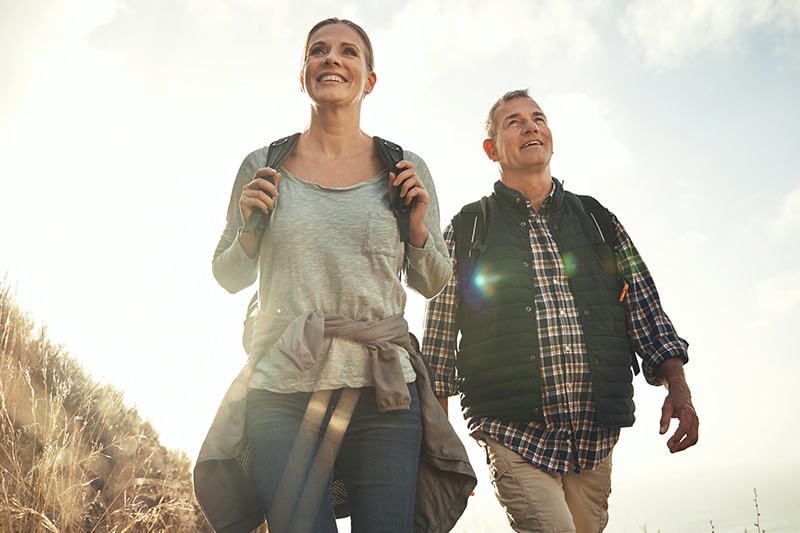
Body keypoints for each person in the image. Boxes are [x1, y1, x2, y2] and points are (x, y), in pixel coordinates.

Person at [193, 18, 475, 533]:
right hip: (282, 390)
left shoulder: (404, 167)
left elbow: (433, 282)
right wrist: (250, 231)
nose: (332, 58)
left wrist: (416, 228)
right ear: (302, 74)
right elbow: (228, 275)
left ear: (369, 79)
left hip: (385, 392)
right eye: (318, 50)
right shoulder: (264, 164)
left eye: (349, 52)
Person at [421, 89, 699, 533]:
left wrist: (679, 389)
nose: (530, 126)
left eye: (538, 118)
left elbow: (647, 312)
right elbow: (437, 347)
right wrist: (441, 446)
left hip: (595, 438)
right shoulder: (468, 228)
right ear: (492, 150)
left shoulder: (598, 220)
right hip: (512, 433)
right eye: (513, 121)